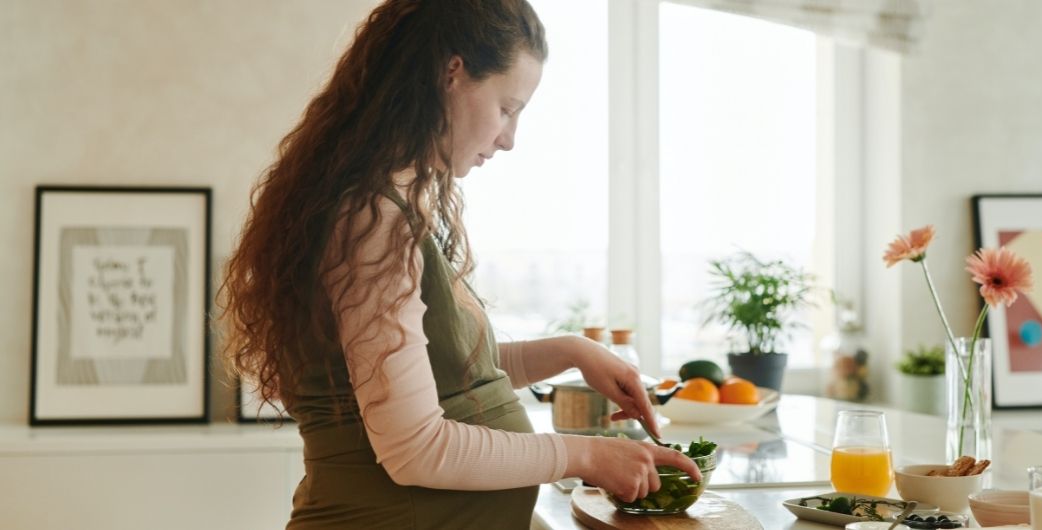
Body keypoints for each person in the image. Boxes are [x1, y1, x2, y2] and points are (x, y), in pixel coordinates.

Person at [219, 1, 700, 528]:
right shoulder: (373, 222)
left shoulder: (382, 204)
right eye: (507, 108)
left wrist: (572, 351)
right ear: (453, 74)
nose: (509, 139)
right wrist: (584, 454)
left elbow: (451, 377)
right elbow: (416, 448)